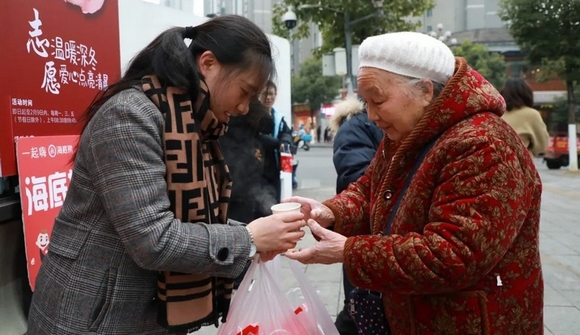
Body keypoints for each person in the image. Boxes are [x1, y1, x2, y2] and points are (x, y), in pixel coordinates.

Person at [27, 15, 306, 335]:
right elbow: (153, 238)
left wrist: (257, 240)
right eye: (244, 91)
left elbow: (191, 221)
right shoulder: (131, 115)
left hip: (144, 317)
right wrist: (249, 239)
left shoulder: (192, 125)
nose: (244, 108)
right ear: (209, 63)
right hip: (90, 317)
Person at [285, 31, 543, 334]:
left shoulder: (483, 144)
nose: (370, 115)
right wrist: (330, 212)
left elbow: (454, 254)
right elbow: (372, 189)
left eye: (378, 100)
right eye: (365, 102)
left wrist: (350, 252)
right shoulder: (410, 130)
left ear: (425, 90)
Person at [330, 98, 383, 335]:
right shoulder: (356, 127)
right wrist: (332, 212)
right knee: (359, 307)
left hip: (383, 246)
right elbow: (359, 182)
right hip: (368, 239)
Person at [257, 80, 293, 207]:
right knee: (261, 204)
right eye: (265, 94)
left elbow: (287, 134)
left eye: (271, 94)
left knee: (275, 202)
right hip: (258, 168)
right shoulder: (253, 116)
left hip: (275, 166)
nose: (268, 97)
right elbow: (258, 137)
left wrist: (285, 142)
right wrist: (277, 143)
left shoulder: (279, 117)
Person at [500, 77, 549, 157]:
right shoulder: (531, 114)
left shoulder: (497, 113)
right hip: (521, 164)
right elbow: (542, 146)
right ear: (526, 94)